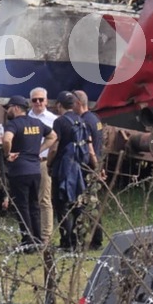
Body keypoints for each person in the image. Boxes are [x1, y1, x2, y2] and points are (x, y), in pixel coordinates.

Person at [0, 95, 56, 248]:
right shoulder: (37, 123)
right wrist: (39, 150)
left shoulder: (13, 124)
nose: (7, 110)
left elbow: (6, 140)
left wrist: (7, 154)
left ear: (16, 108)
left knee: (22, 206)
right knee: (34, 205)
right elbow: (53, 136)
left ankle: (27, 241)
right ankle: (38, 240)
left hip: (19, 170)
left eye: (9, 107)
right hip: (35, 170)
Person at [48, 91, 96, 250]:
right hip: (79, 169)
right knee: (78, 205)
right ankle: (78, 240)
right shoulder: (82, 121)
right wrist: (95, 166)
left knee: (61, 206)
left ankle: (66, 243)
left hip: (62, 169)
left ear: (59, 105)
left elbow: (54, 147)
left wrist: (49, 163)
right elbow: (89, 147)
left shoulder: (59, 122)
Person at [73, 90, 107, 249]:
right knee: (93, 204)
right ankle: (95, 240)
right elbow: (102, 145)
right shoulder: (95, 119)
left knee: (86, 205)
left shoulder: (84, 122)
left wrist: (95, 167)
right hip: (96, 167)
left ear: (79, 103)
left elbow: (91, 147)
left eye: (72, 102)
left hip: (87, 169)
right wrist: (101, 167)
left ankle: (92, 241)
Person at [27, 87, 59, 243]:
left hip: (43, 162)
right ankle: (32, 234)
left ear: (46, 101)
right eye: (35, 100)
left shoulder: (53, 119)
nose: (38, 102)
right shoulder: (26, 118)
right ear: (30, 102)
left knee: (44, 199)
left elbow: (55, 141)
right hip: (27, 162)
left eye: (41, 99)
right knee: (29, 199)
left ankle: (46, 235)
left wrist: (39, 151)